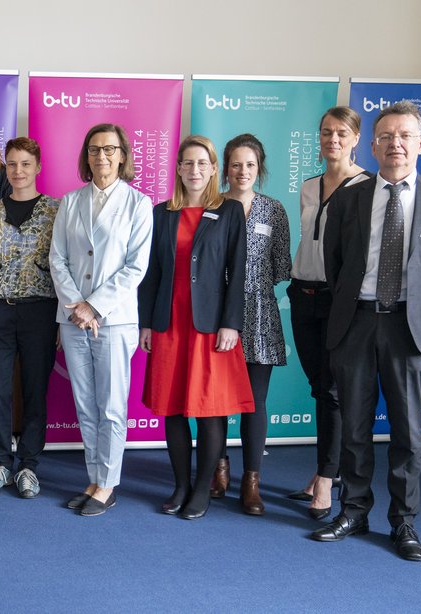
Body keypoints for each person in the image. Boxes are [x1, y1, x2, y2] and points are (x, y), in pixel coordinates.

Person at [314, 101, 421, 562]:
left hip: (409, 327)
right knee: (355, 426)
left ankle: (404, 521)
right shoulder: (349, 197)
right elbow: (334, 262)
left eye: (404, 136)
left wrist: (416, 307)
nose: (395, 144)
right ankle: (354, 510)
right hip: (356, 320)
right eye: (386, 137)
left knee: (408, 431)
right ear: (373, 144)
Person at [139, 135, 254, 521]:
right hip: (169, 323)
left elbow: (239, 273)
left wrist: (231, 323)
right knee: (172, 410)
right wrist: (146, 324)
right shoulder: (161, 213)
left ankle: (203, 488)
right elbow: (151, 275)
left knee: (209, 411)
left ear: (213, 169)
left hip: (210, 327)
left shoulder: (230, 210)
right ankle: (181, 486)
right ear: (178, 168)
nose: (194, 170)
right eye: (187, 163)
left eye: (202, 163)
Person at [49, 124, 152, 516]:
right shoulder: (71, 201)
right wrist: (76, 305)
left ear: (123, 155)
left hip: (113, 320)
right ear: (86, 156)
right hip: (72, 319)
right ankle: (94, 479)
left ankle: (108, 484)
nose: (102, 157)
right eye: (94, 150)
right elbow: (57, 258)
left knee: (111, 406)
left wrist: (94, 306)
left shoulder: (138, 204)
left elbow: (135, 267)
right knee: (86, 405)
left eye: (110, 149)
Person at [288, 106, 372, 519]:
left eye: (341, 133)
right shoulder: (307, 187)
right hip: (303, 295)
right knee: (318, 387)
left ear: (356, 138)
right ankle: (327, 468)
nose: (332, 140)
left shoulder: (368, 187)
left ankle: (325, 480)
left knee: (333, 391)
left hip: (341, 301)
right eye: (325, 132)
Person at [212, 134, 290, 515]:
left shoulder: (274, 211)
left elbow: (281, 267)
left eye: (250, 165)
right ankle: (219, 469)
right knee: (215, 399)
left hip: (259, 315)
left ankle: (252, 482)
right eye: (236, 164)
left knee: (254, 402)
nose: (243, 172)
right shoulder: (211, 207)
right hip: (214, 315)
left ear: (260, 169)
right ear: (225, 168)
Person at [0, 137, 59, 499]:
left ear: (38, 167)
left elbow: (65, 266)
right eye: (12, 164)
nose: (18, 171)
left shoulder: (56, 211)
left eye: (25, 163)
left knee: (34, 390)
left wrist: (61, 320)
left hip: (41, 310)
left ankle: (28, 465)